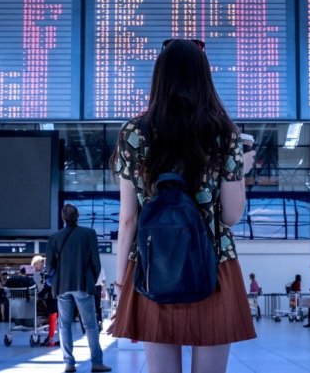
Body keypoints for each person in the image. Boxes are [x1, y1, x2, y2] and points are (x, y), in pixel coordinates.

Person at [109, 38, 257, 373]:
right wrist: (239, 171)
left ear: (159, 77)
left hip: (153, 265)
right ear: (204, 77)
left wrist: (121, 283)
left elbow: (129, 219)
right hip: (215, 266)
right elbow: (232, 216)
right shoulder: (225, 133)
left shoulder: (135, 132)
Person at [47, 204, 110, 373]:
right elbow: (96, 262)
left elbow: (49, 267)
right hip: (83, 284)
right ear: (78, 216)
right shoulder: (89, 234)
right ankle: (96, 363)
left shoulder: (54, 237)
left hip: (62, 286)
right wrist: (92, 280)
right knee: (90, 325)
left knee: (64, 325)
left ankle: (69, 363)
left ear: (62, 217)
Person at [32, 255, 58, 346]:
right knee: (55, 316)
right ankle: (51, 338)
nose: (36, 266)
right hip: (54, 296)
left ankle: (51, 338)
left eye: (37, 263)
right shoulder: (42, 273)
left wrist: (41, 294)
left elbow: (47, 285)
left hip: (51, 297)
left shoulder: (49, 271)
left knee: (53, 315)